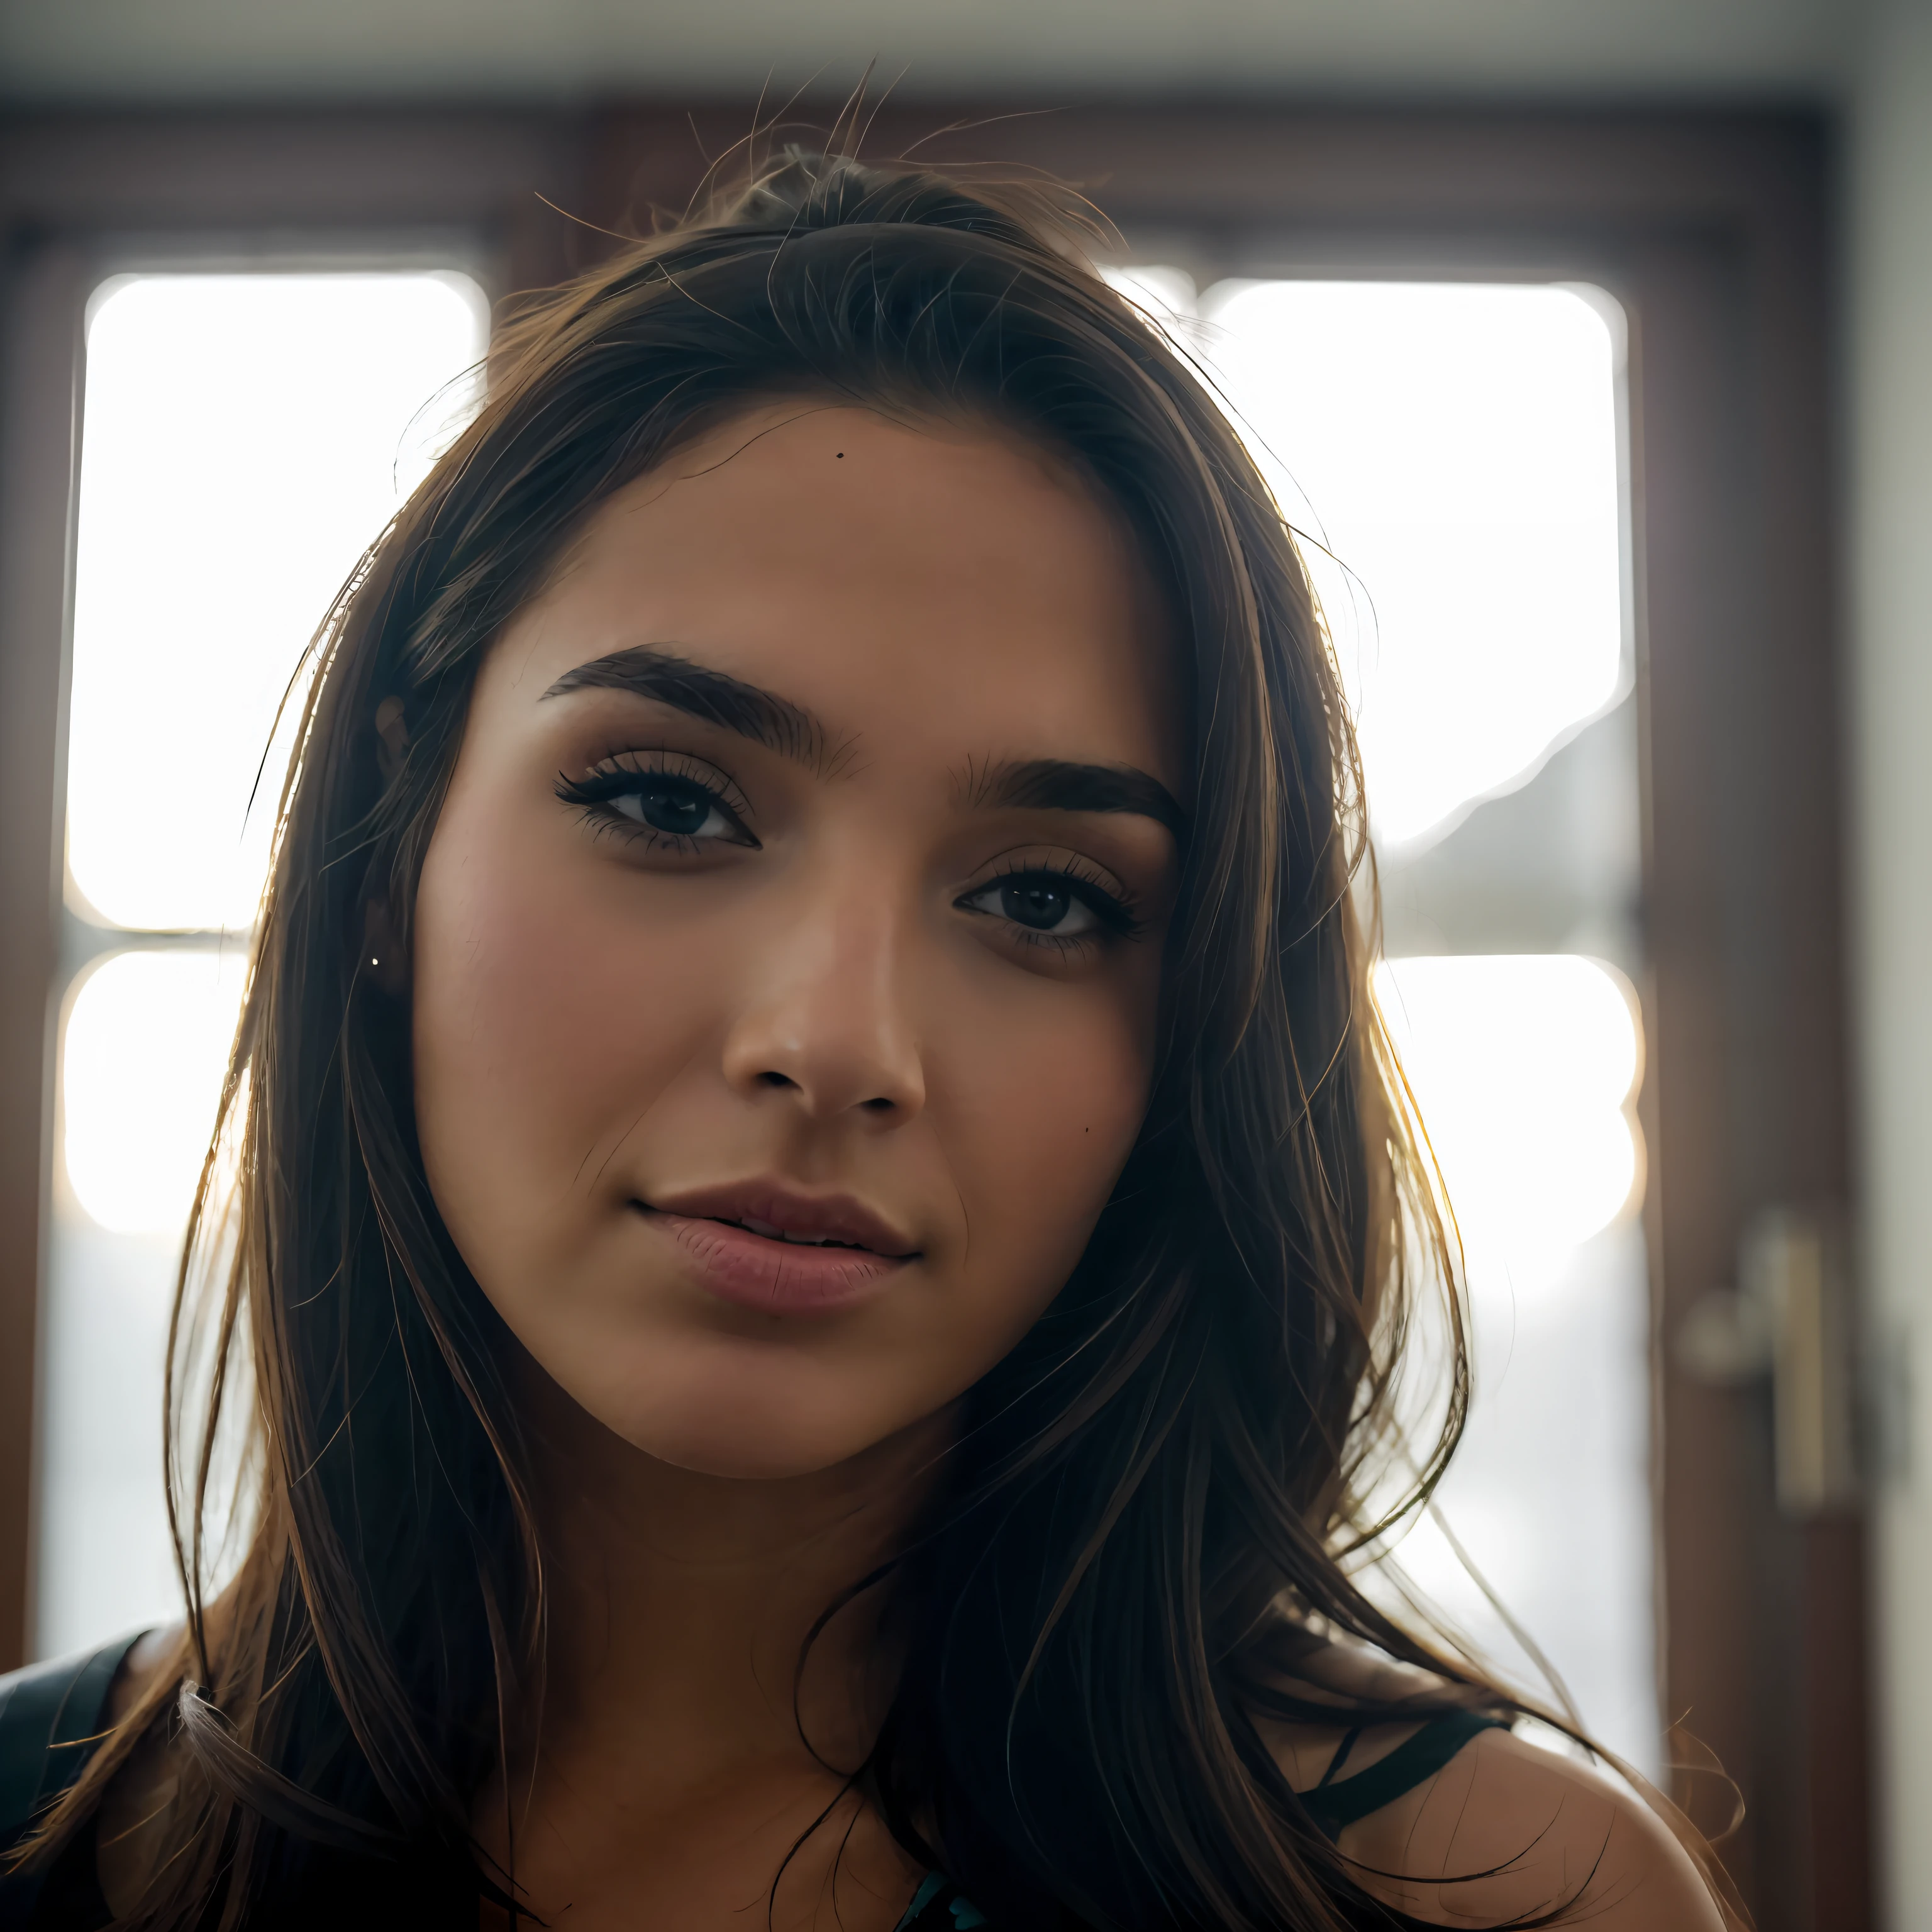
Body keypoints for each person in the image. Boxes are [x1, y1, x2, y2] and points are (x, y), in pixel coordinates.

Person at [0, 149, 1740, 1931]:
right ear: (394, 840)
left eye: (1046, 901)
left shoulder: (1494, 1895)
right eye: (669, 803)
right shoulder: (38, 1838)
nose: (836, 1044)